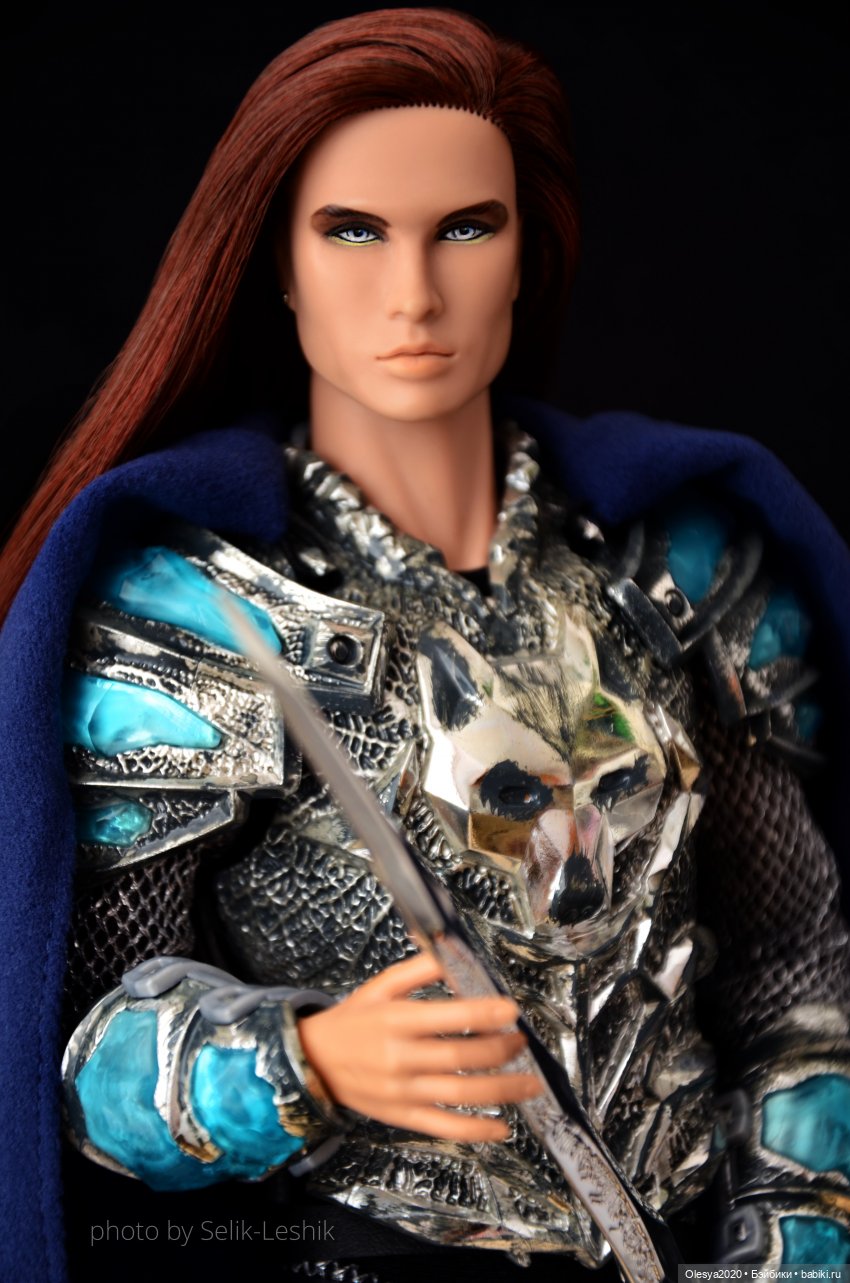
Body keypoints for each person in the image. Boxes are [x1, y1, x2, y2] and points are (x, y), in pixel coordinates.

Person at [1, 9, 849, 1283]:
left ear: (525, 254)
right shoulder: (199, 620)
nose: (414, 292)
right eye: (353, 230)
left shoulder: (679, 571)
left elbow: (795, 962)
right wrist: (298, 1061)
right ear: (279, 262)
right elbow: (79, 1051)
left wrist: (794, 1243)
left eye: (465, 228)